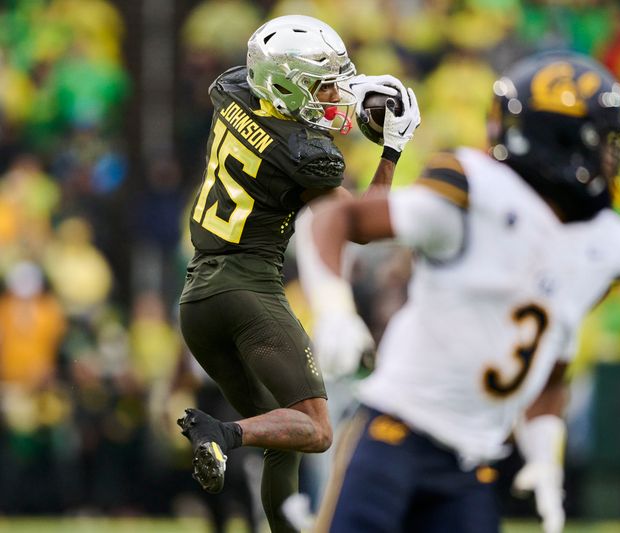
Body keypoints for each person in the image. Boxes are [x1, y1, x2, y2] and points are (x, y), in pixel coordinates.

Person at [295, 51, 620, 533]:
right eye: (599, 140)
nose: (611, 156)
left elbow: (553, 360)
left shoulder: (606, 246)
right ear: (561, 142)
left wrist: (544, 451)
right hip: (395, 433)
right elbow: (336, 216)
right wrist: (332, 306)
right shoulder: (476, 192)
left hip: (475, 463)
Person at [175, 14, 420, 533]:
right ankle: (220, 433)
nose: (332, 94)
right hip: (249, 291)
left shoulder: (233, 91)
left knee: (280, 435)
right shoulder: (308, 158)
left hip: (198, 298)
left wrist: (348, 88)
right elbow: (362, 227)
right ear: (285, 86)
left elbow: (275, 99)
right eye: (321, 84)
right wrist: (392, 150)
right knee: (314, 427)